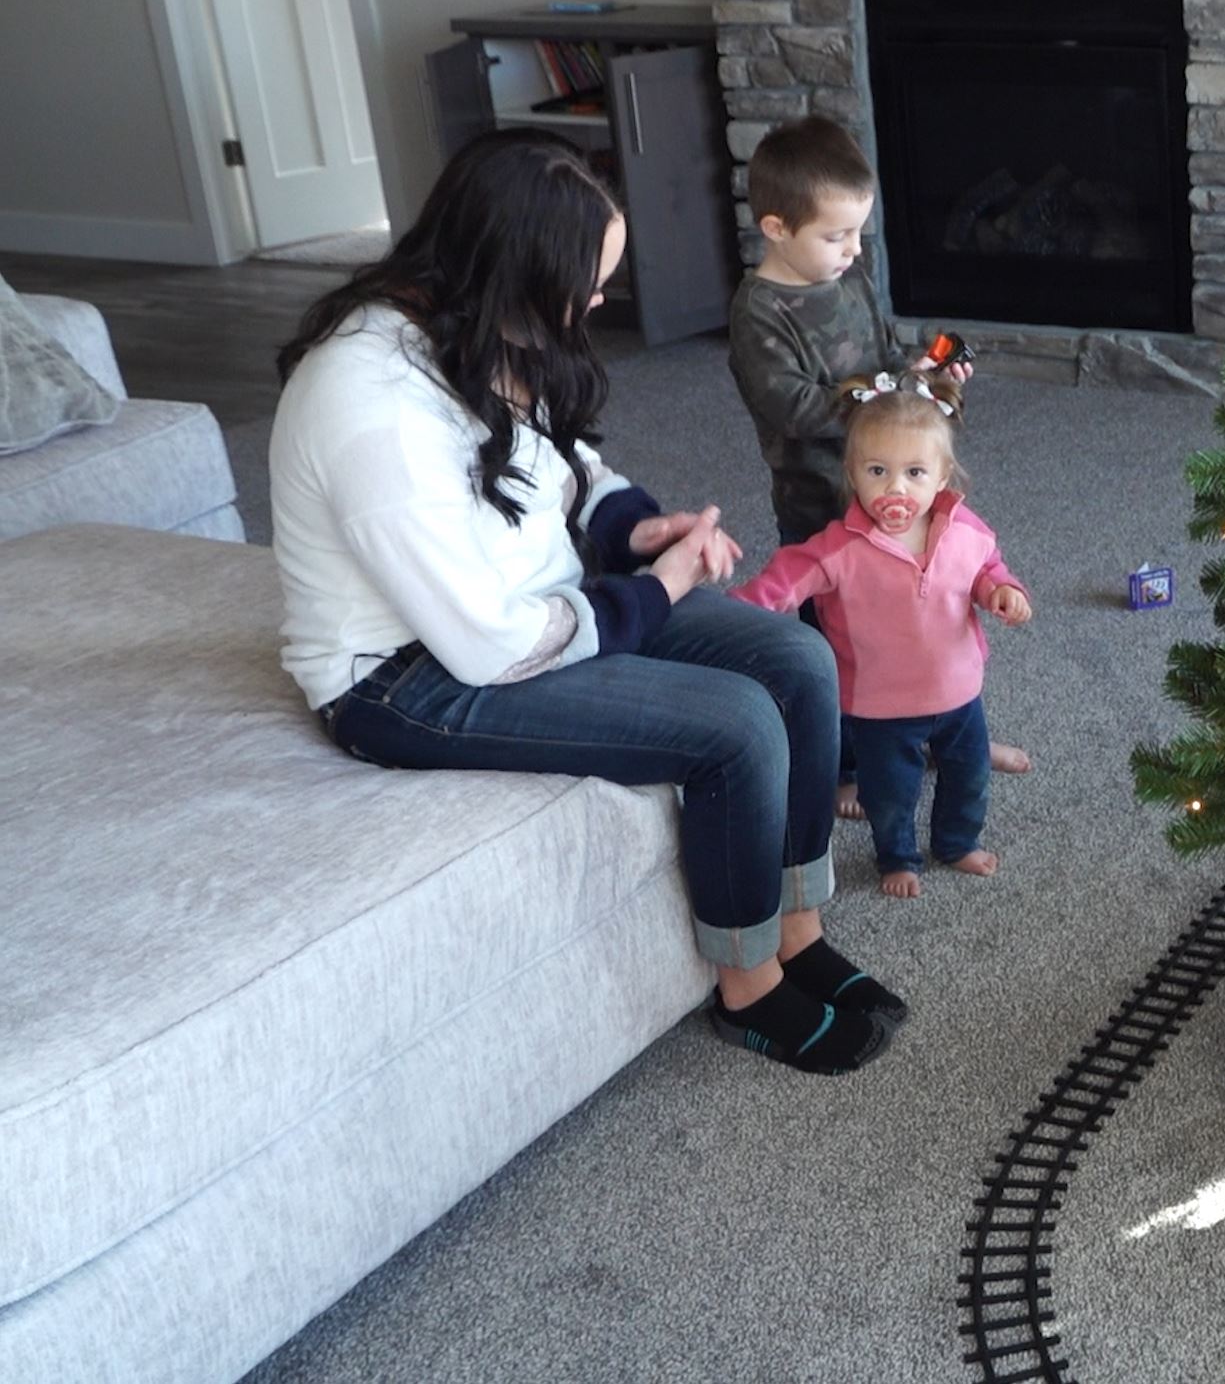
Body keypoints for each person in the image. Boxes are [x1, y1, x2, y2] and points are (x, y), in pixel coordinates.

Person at [269, 128, 902, 1077]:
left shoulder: (474, 329)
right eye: (589, 281)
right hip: (410, 678)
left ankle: (797, 929)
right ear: (513, 269)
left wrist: (636, 528)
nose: (600, 300)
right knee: (735, 724)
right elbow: (490, 646)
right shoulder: (373, 407)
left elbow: (563, 465)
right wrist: (655, 593)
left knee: (797, 661)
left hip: (526, 603)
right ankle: (749, 989)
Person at [725, 114, 1031, 816]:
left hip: (902, 492)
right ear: (775, 228)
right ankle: (843, 763)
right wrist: (881, 395)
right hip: (824, 502)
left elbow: (883, 357)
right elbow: (794, 409)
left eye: (857, 232)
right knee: (836, 644)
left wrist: (916, 372)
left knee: (929, 619)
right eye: (834, 236)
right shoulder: (761, 313)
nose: (851, 249)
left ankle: (951, 733)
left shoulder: (852, 277)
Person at [732, 373, 1032, 899]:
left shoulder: (967, 532)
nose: (896, 488)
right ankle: (897, 857)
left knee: (969, 778)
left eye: (915, 472)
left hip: (959, 693)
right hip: (878, 706)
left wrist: (1002, 591)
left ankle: (957, 842)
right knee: (889, 795)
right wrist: (732, 615)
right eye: (878, 471)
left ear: (943, 477)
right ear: (852, 474)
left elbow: (989, 570)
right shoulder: (838, 549)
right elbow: (784, 582)